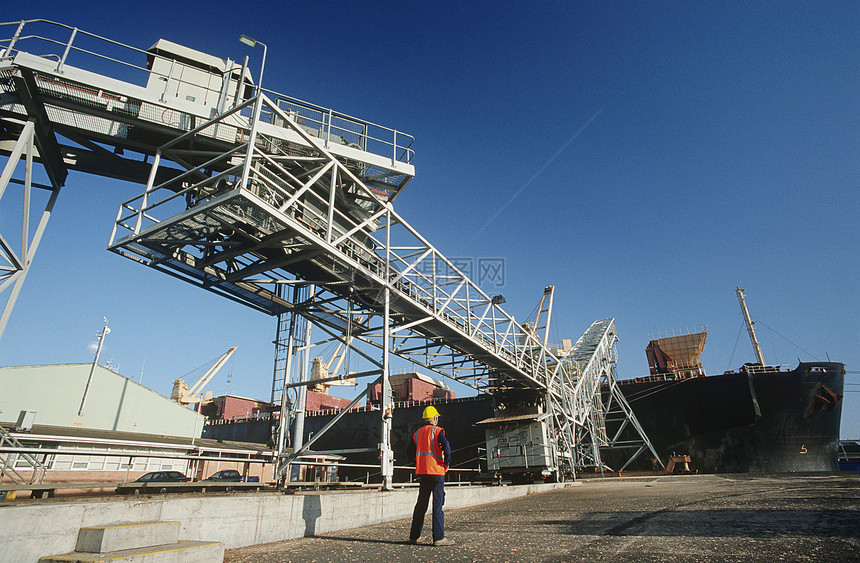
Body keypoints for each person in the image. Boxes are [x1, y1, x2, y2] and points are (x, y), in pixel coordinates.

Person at [407, 405, 453, 546]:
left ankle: (415, 536)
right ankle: (438, 538)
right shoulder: (437, 431)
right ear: (434, 418)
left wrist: (418, 461)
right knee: (437, 505)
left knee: (421, 504)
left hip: (423, 472)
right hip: (437, 472)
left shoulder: (417, 433)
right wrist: (447, 464)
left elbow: (408, 451)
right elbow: (447, 448)